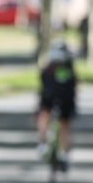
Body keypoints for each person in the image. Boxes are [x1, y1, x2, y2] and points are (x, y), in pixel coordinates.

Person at [36, 41, 78, 171]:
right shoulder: (68, 67)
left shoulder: (48, 67)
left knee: (46, 117)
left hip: (53, 100)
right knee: (63, 125)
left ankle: (44, 144)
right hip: (61, 100)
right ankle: (63, 154)